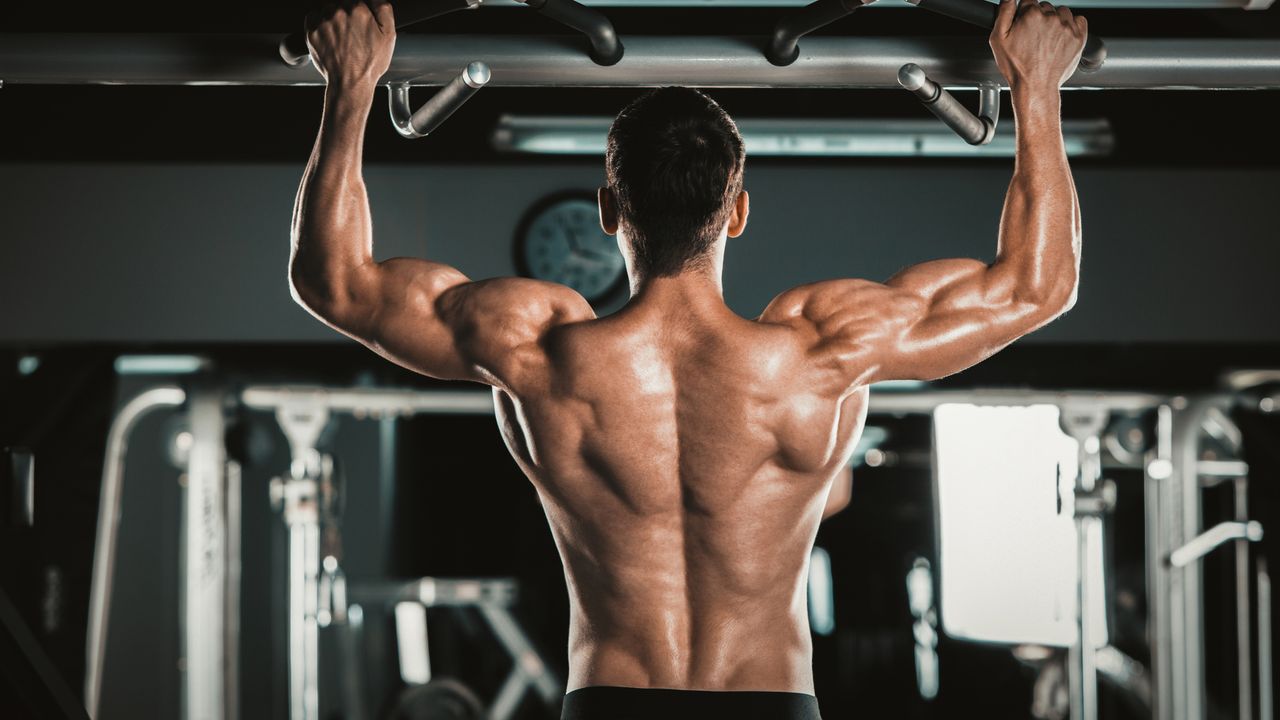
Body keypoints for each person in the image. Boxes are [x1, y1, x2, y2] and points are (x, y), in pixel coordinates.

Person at [289, 0, 1085, 715]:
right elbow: (1035, 289)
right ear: (736, 212)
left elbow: (334, 283)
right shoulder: (821, 350)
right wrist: (1038, 91)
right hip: (770, 702)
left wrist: (351, 87)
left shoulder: (537, 347)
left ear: (609, 210)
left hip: (611, 700)